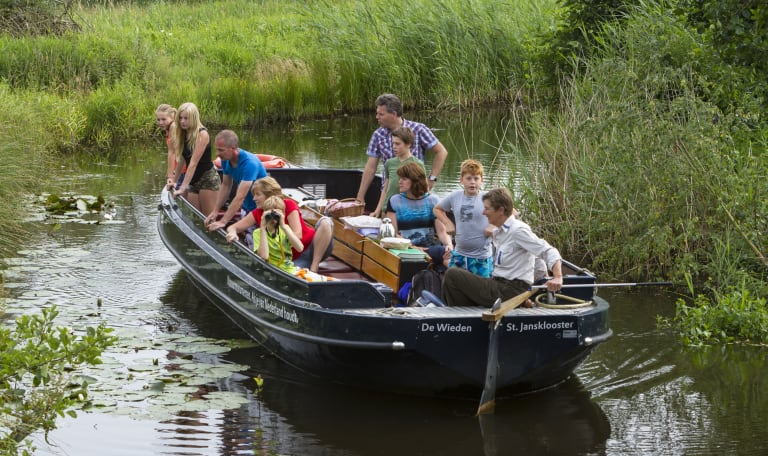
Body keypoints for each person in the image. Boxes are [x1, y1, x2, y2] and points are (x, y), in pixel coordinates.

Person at [442, 187, 563, 308]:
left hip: (511, 290)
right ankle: (467, 315)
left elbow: (548, 250)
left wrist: (558, 277)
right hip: (498, 285)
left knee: (452, 275)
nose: (484, 213)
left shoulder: (518, 230)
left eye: (487, 209)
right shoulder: (499, 231)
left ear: (500, 210)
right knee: (459, 278)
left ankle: (464, 319)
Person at [225, 177, 334, 273]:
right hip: (290, 258)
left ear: (269, 194)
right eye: (254, 195)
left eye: (258, 194)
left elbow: (298, 235)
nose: (254, 199)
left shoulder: (288, 204)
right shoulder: (258, 213)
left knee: (325, 222)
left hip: (312, 248)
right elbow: (233, 227)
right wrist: (233, 233)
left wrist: (282, 230)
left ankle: (314, 267)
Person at [356, 93, 448, 205]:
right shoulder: (378, 135)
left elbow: (441, 152)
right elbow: (370, 168)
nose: (377, 117)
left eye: (381, 114)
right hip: (389, 195)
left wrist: (432, 179)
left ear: (394, 114)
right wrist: (360, 197)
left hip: (415, 194)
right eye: (377, 113)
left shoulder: (418, 129)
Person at [433, 159, 494, 278]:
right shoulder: (455, 196)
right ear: (461, 180)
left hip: (481, 257)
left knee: (481, 292)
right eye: (469, 178)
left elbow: (510, 212)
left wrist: (493, 226)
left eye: (476, 178)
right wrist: (448, 223)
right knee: (452, 287)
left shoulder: (488, 198)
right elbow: (437, 209)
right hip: (459, 255)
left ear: (482, 181)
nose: (472, 182)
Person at [205, 130, 267, 232]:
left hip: (261, 208)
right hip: (246, 206)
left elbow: (240, 196)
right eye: (217, 150)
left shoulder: (249, 164)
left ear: (233, 148)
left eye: (221, 150)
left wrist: (223, 221)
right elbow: (226, 185)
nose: (217, 154)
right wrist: (215, 211)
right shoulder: (226, 160)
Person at [167, 102, 220, 215]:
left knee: (208, 218)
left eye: (186, 118)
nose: (182, 121)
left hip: (207, 179)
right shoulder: (183, 133)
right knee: (195, 218)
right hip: (193, 181)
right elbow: (182, 160)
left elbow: (193, 163)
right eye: (180, 118)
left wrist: (182, 188)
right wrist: (175, 181)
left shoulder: (202, 134)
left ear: (194, 118)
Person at [226, 196, 303, 272]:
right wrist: (263, 227)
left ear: (283, 214)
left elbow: (300, 248)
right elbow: (264, 256)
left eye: (277, 215)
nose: (273, 218)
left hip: (289, 270)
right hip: (271, 270)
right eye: (270, 215)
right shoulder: (258, 232)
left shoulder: (285, 229)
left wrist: (283, 226)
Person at [385, 161, 452, 249]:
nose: (400, 182)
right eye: (400, 178)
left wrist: (449, 245)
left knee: (445, 253)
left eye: (404, 179)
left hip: (429, 247)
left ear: (415, 181)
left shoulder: (433, 200)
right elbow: (393, 234)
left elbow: (442, 232)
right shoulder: (395, 201)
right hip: (405, 248)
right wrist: (413, 248)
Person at [372, 126, 425, 217]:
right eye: (393, 143)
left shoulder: (418, 164)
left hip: (407, 211)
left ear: (408, 144)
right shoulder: (389, 163)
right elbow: (385, 189)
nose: (394, 147)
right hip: (387, 210)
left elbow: (424, 189)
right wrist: (378, 209)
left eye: (397, 144)